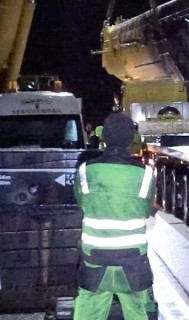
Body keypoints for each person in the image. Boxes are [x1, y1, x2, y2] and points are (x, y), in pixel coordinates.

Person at [73, 113, 158, 319]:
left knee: (87, 311)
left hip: (95, 260)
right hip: (132, 261)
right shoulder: (145, 173)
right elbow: (147, 211)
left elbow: (82, 205)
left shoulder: (85, 170)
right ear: (131, 140)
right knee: (139, 311)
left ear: (104, 138)